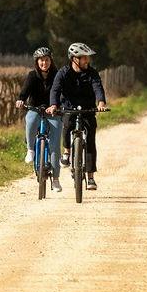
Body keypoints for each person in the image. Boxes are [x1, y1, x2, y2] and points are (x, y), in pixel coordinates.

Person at [49, 42, 110, 187]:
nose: (87, 60)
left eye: (87, 58)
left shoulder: (92, 73)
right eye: (83, 58)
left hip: (88, 109)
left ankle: (90, 177)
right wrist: (53, 105)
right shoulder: (63, 72)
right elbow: (55, 90)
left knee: (90, 141)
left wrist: (101, 102)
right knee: (67, 124)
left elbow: (97, 87)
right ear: (74, 59)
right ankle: (67, 152)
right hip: (69, 108)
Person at [15, 46, 64, 188]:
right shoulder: (32, 75)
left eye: (47, 60)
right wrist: (21, 100)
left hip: (53, 111)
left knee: (55, 146)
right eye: (41, 60)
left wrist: (58, 106)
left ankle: (55, 179)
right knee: (30, 121)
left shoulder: (57, 75)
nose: (44, 63)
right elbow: (25, 91)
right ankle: (30, 150)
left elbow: (62, 93)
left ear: (51, 61)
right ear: (37, 62)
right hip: (35, 109)